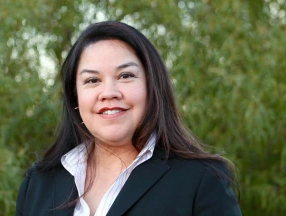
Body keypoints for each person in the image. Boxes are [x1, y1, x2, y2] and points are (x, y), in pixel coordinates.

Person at [15, 21, 242, 216]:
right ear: (75, 96)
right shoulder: (38, 183)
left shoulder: (202, 180)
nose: (109, 92)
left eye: (126, 76)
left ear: (152, 87)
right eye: (92, 80)